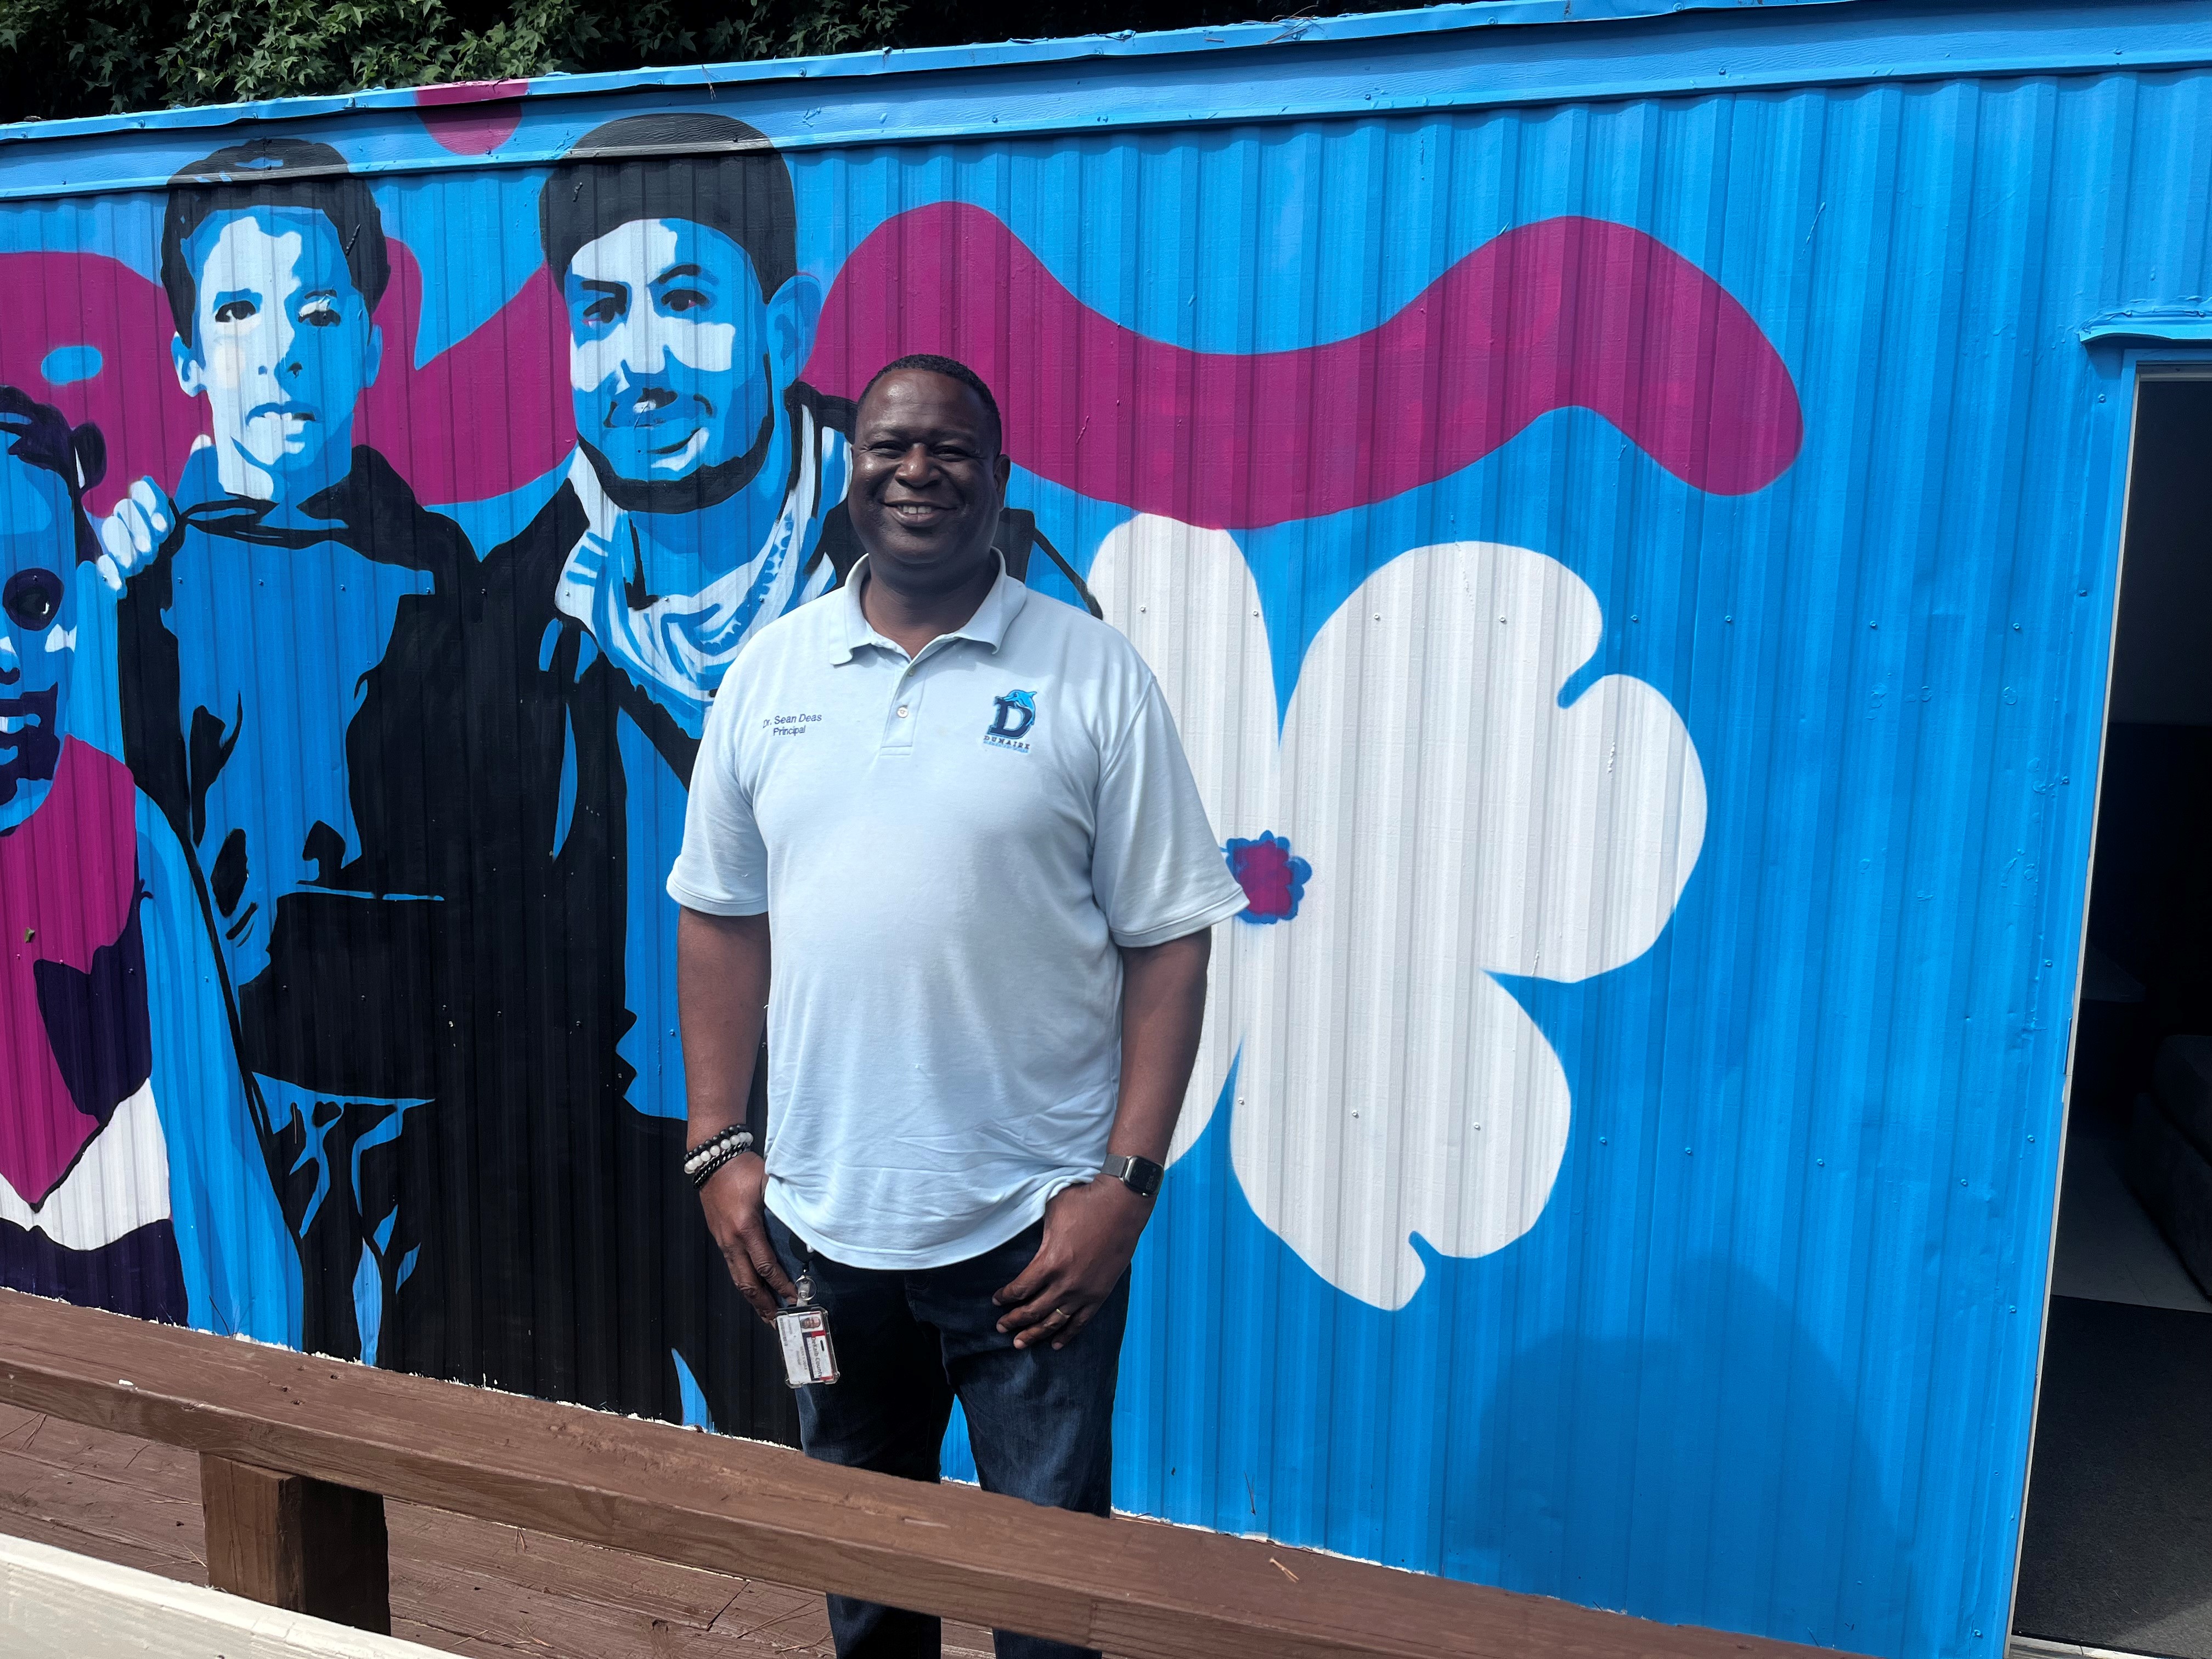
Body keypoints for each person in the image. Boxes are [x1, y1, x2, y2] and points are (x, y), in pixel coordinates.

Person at [669, 355, 1248, 1659]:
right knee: (868, 1594)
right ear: (851, 470)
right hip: (823, 1232)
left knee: (1045, 1612)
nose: (918, 473)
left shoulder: (1094, 676)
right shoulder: (772, 675)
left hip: (1033, 1243)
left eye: (951, 451)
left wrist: (1127, 1188)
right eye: (889, 448)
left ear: (1001, 478)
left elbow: (1171, 944)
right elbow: (718, 913)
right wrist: (718, 1142)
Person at [352, 111, 848, 1429]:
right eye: (600, 311)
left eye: (685, 300)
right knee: (599, 1500)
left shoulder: (934, 576)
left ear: (784, 328)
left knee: (833, 1450)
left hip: (853, 1155)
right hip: (605, 1169)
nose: (640, 359)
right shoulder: (507, 619)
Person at [110, 137, 471, 1363]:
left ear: (370, 340)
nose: (282, 346)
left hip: (416, 1083)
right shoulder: (138, 590)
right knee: (259, 1375)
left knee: (415, 1398)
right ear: (185, 356)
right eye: (238, 309)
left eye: (319, 309)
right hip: (234, 1076)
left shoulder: (445, 573)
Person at [0, 386, 296, 1343]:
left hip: (131, 1288)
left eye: (32, 601)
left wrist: (268, 1383)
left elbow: (218, 1153)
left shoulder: (123, 832)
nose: (6, 652)